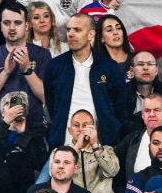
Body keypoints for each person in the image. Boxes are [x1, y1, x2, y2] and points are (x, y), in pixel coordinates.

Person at [43, 13, 126, 147]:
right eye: (69, 29)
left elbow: (120, 105)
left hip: (101, 146)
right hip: (63, 145)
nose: (70, 34)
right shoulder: (55, 66)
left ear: (91, 35)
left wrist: (110, 129)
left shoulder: (109, 66)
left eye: (77, 30)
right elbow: (51, 104)